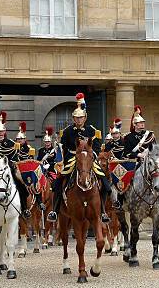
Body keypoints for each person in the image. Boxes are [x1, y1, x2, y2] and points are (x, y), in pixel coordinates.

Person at [47, 93, 111, 224]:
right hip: (72, 159)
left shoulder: (92, 131)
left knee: (105, 183)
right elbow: (63, 147)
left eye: (81, 118)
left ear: (85, 118)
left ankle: (103, 210)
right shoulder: (67, 131)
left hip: (89, 160)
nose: (78, 120)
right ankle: (54, 210)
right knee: (58, 183)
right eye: (76, 118)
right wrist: (62, 160)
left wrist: (92, 156)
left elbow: (97, 146)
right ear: (73, 118)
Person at [122, 105, 159, 212]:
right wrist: (138, 155)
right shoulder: (128, 137)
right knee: (126, 179)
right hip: (137, 162)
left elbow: (155, 150)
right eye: (140, 123)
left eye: (143, 123)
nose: (142, 125)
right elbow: (126, 153)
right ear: (134, 124)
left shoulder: (150, 135)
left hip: (151, 162)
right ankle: (123, 200)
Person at [14, 121, 46, 212]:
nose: (19, 141)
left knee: (35, 181)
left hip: (26, 172)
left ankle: (39, 201)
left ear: (24, 139)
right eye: (18, 139)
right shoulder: (14, 148)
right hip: (16, 171)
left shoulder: (29, 149)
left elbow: (31, 162)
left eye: (21, 139)